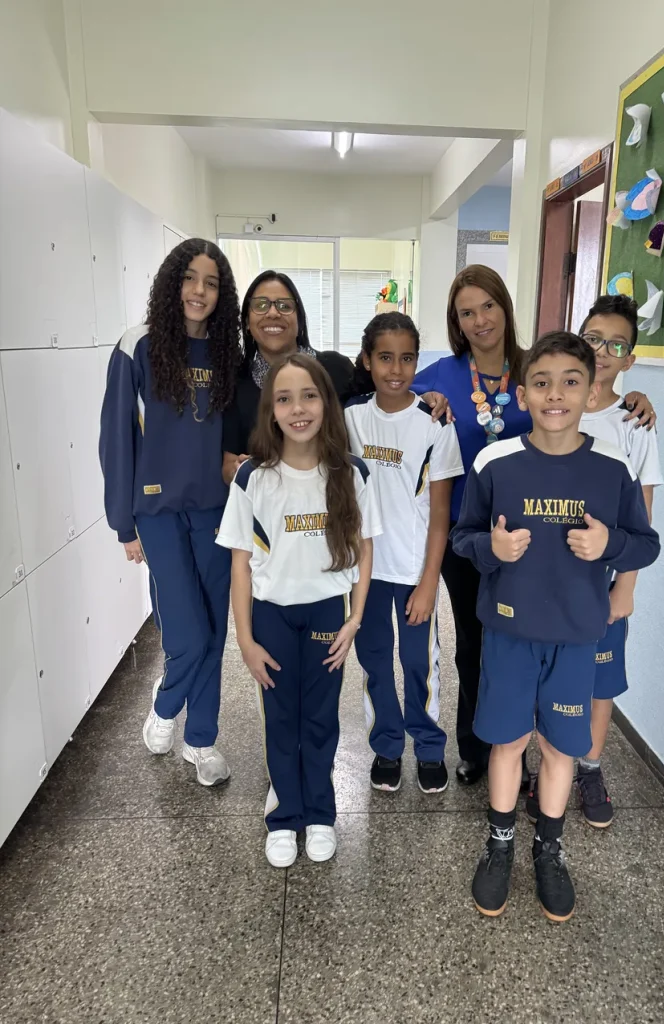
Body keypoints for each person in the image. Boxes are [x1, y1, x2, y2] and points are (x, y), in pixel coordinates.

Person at [410, 265, 658, 787]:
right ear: (455, 322)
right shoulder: (439, 376)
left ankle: (539, 754)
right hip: (472, 532)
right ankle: (483, 748)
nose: (480, 319)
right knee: (479, 643)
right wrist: (423, 401)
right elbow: (387, 397)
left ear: (505, 307)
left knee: (542, 650)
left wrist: (634, 397)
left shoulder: (536, 365)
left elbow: (589, 394)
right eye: (466, 312)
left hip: (546, 539)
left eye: (488, 306)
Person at [452, 331, 660, 922]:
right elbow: (464, 537)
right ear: (523, 394)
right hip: (509, 635)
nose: (555, 395)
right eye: (541, 383)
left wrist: (609, 544)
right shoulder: (495, 462)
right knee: (507, 742)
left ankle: (549, 848)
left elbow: (646, 544)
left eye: (571, 382)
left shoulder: (612, 467)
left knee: (561, 747)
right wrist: (491, 549)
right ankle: (499, 844)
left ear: (590, 391)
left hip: (576, 637)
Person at [217, 354, 380, 868]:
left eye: (309, 395)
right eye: (284, 399)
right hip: (272, 617)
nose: (298, 408)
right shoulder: (252, 478)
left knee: (321, 718)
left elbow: (365, 550)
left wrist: (354, 619)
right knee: (281, 718)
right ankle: (285, 816)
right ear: (271, 410)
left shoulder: (351, 473)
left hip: (328, 613)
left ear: (326, 403)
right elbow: (240, 565)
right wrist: (245, 640)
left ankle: (321, 813)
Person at [99, 238, 241, 786]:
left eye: (211, 282)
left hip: (213, 512)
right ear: (171, 283)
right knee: (188, 635)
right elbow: (116, 439)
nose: (199, 291)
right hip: (157, 513)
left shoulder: (225, 352)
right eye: (189, 278)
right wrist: (124, 524)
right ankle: (164, 706)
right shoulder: (137, 344)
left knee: (214, 631)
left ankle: (200, 741)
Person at [526, 295, 662, 828]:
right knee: (546, 674)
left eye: (617, 345)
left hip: (602, 580)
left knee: (600, 679)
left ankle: (589, 767)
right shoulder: (554, 404)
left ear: (630, 359)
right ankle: (546, 763)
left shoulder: (635, 423)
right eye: (593, 338)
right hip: (546, 579)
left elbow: (641, 517)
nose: (602, 351)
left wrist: (624, 587)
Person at [345, 313, 464, 795]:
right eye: (385, 357)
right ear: (367, 361)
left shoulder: (434, 423)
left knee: (419, 663)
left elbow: (440, 513)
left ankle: (430, 747)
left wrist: (430, 580)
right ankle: (387, 746)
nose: (396, 369)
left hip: (415, 570)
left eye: (407, 358)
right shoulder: (350, 418)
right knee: (374, 660)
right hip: (365, 572)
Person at [223, 270, 450, 484]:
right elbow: (228, 466)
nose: (273, 313)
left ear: (299, 318)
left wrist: (423, 398)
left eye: (284, 305)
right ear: (247, 321)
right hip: (270, 505)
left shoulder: (335, 368)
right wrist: (239, 470)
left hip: (339, 500)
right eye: (261, 305)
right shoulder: (236, 382)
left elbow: (387, 394)